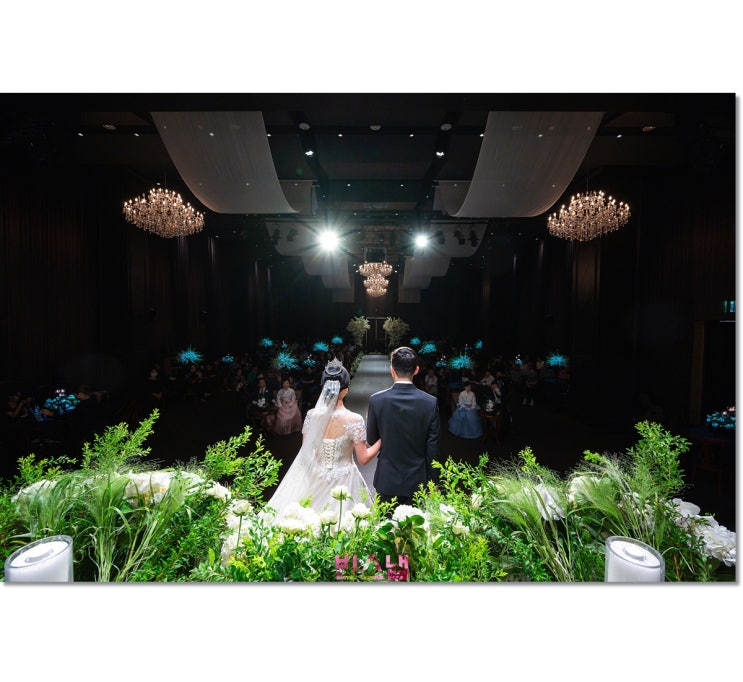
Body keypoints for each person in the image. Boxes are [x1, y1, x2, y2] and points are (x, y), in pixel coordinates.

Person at [264, 359, 381, 516]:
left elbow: (306, 454)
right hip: (345, 480)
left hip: (316, 476)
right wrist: (382, 440)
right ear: (346, 390)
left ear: (324, 388)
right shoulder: (355, 420)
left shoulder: (312, 416)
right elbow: (363, 458)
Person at [366, 346, 441, 509]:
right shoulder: (430, 403)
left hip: (387, 479)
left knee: (385, 523)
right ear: (416, 370)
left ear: (391, 369)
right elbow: (433, 448)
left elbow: (371, 439)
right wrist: (434, 482)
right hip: (418, 481)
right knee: (416, 524)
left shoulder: (376, 400)